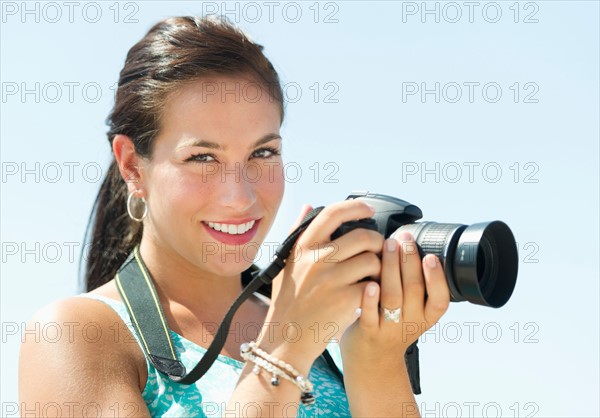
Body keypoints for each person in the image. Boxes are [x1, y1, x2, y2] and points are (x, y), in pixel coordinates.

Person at [19, 16, 450, 417]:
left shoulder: (331, 333)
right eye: (202, 157)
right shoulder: (76, 335)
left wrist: (376, 359)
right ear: (132, 165)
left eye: (263, 153)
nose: (239, 196)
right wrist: (285, 346)